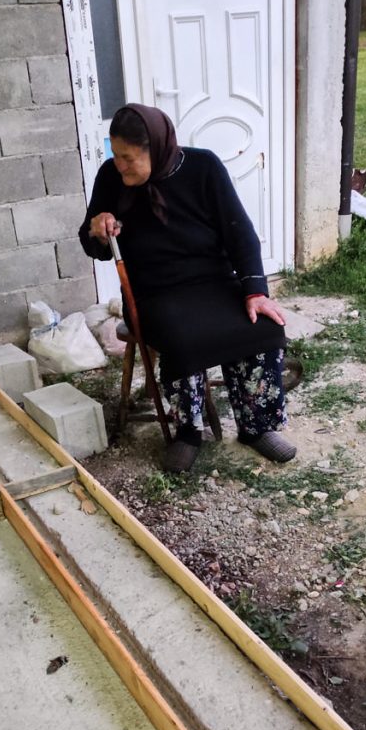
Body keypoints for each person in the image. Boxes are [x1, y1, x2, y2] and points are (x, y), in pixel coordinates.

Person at [78, 102, 296, 474]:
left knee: (263, 325)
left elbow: (239, 233)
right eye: (115, 156)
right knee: (183, 337)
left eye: (129, 158)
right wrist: (97, 229)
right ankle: (188, 431)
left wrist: (255, 290)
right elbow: (91, 244)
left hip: (213, 281)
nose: (120, 165)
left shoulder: (203, 167)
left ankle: (256, 426)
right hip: (154, 291)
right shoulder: (110, 178)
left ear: (157, 148)